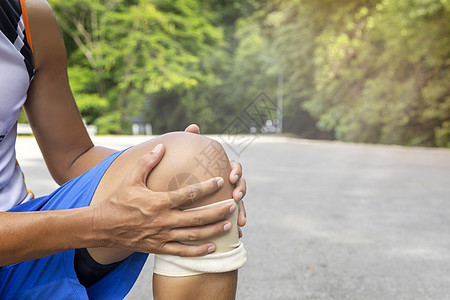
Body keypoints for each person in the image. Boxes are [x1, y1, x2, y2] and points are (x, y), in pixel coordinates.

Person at [0, 0, 247, 299]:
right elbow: (96, 224)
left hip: (22, 251)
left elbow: (73, 157)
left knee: (191, 163)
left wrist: (184, 165)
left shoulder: (26, 17)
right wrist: (97, 225)